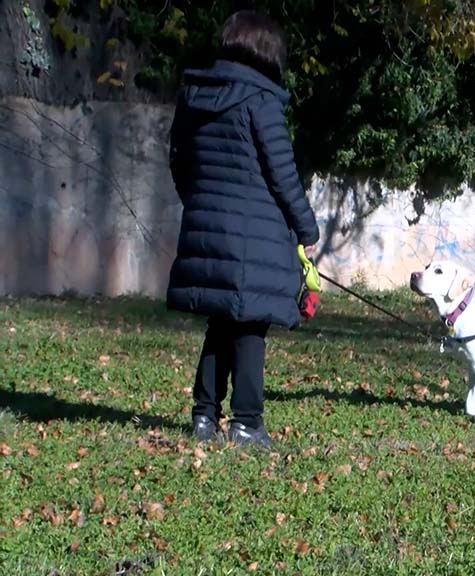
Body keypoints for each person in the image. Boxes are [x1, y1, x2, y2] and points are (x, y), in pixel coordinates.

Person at [165, 10, 319, 448]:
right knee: (251, 326)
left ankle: (204, 417)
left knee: (220, 322)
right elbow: (282, 174)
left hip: (208, 226)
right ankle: (247, 423)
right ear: (269, 52)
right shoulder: (262, 101)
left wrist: (200, 205)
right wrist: (306, 227)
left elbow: (179, 160)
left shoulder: (194, 94)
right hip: (258, 234)